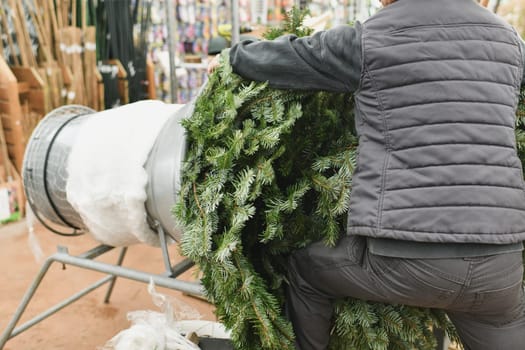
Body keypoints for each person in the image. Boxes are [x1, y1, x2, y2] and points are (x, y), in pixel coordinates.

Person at [208, 0, 525, 349]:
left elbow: (293, 57)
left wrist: (232, 57)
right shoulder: (508, 39)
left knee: (305, 269)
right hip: (501, 264)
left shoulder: (371, 38)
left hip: (408, 257)